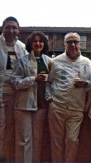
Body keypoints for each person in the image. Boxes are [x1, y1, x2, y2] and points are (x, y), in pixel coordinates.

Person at [45, 32, 91, 163]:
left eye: (76, 42)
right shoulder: (54, 62)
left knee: (72, 140)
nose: (73, 44)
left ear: (80, 44)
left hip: (76, 110)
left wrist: (86, 105)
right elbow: (47, 83)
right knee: (56, 141)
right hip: (57, 108)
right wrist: (50, 100)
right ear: (64, 44)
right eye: (70, 42)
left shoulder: (87, 63)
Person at [11, 31, 52, 163]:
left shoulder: (49, 61)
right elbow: (15, 82)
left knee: (38, 140)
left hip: (41, 106)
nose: (38, 43)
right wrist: (33, 79)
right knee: (24, 140)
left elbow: (50, 83)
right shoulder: (22, 61)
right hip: (24, 106)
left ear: (44, 44)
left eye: (40, 41)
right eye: (35, 41)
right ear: (30, 43)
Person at [0, 16, 27, 162]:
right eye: (7, 27)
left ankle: (7, 157)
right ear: (2, 29)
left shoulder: (22, 48)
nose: (11, 30)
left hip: (15, 94)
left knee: (11, 127)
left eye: (14, 28)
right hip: (1, 91)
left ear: (18, 30)